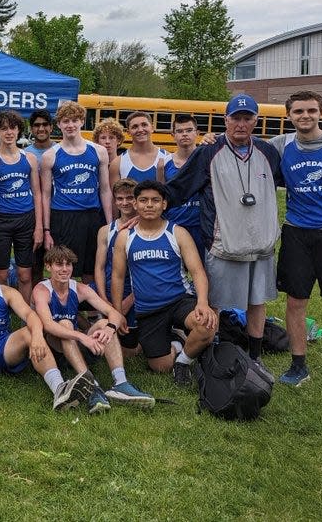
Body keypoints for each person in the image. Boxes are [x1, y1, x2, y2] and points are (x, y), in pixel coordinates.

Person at [166, 94, 282, 370]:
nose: (241, 124)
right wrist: (145, 213)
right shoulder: (208, 151)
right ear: (226, 120)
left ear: (256, 120)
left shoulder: (268, 152)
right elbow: (177, 189)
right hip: (223, 243)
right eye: (235, 118)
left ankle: (255, 356)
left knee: (257, 301)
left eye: (247, 118)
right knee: (214, 303)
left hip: (261, 245)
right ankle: (212, 353)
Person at [269, 91, 322, 385]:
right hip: (297, 233)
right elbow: (243, 147)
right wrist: (210, 140)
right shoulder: (281, 145)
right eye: (298, 112)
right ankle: (298, 365)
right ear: (289, 116)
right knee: (295, 301)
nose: (305, 116)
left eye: (310, 111)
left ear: (321, 113)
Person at [0, 253, 94, 417]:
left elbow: (30, 315)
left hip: (3, 348)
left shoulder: (7, 292)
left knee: (30, 332)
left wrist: (37, 336)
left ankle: (60, 389)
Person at [111, 181, 217, 385]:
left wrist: (202, 303)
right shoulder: (125, 237)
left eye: (155, 200)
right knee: (160, 366)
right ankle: (178, 343)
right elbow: (117, 276)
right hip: (149, 310)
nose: (149, 205)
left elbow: (197, 272)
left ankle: (184, 362)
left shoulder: (177, 232)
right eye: (143, 200)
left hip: (179, 300)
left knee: (206, 325)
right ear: (135, 204)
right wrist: (117, 311)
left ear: (164, 204)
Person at [33, 245, 154, 414]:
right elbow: (48, 324)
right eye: (59, 264)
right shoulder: (41, 290)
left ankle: (120, 382)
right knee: (65, 324)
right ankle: (91, 387)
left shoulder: (80, 288)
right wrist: (82, 337)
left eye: (68, 264)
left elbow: (113, 313)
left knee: (105, 323)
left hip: (75, 346)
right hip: (53, 350)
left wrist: (110, 328)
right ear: (48, 267)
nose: (64, 269)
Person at [41, 101, 112, 283]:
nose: (70, 125)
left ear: (82, 121)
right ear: (58, 125)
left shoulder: (99, 151)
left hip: (91, 215)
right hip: (63, 216)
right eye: (65, 121)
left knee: (92, 265)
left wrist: (110, 224)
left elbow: (104, 189)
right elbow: (46, 195)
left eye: (74, 120)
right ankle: (66, 305)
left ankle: (89, 307)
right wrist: (46, 229)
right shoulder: (51, 155)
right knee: (64, 265)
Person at [0, 110, 43, 302]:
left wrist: (39, 226)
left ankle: (25, 315)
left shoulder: (29, 158)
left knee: (25, 274)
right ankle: (2, 312)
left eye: (13, 128)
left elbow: (38, 194)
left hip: (26, 218)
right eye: (4, 128)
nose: (9, 132)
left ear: (18, 131)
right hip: (1, 220)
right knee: (0, 275)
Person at [91, 178, 140, 356]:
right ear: (114, 201)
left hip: (133, 292)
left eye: (129, 198)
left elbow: (146, 274)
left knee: (129, 351)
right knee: (70, 299)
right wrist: (103, 300)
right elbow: (99, 267)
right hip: (109, 290)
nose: (125, 203)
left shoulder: (144, 228)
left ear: (136, 200)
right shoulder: (105, 230)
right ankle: (85, 327)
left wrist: (127, 303)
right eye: (120, 198)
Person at [158, 114, 204, 261]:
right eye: (180, 131)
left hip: (200, 224)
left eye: (189, 130)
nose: (184, 134)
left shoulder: (207, 159)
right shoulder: (163, 163)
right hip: (175, 224)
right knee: (174, 270)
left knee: (204, 270)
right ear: (173, 135)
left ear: (197, 133)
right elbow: (161, 197)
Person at [25, 109, 54, 285]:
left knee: (57, 258)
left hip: (56, 211)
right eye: (36, 125)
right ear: (31, 129)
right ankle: (35, 300)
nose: (41, 128)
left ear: (51, 128)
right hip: (33, 212)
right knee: (35, 262)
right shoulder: (26, 154)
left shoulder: (60, 151)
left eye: (44, 125)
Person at [109, 111, 167, 192]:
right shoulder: (117, 163)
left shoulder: (167, 158)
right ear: (128, 132)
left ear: (152, 128)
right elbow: (116, 199)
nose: (140, 130)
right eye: (135, 127)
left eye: (144, 125)